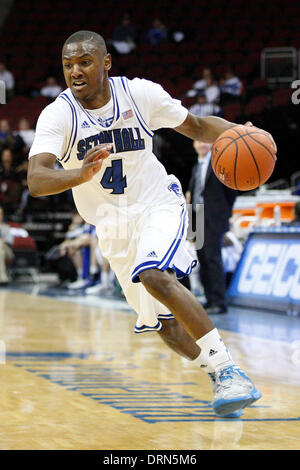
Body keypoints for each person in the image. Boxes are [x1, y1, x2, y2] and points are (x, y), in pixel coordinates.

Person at [27, 30, 275, 417]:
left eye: (85, 62)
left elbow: (194, 125)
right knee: (164, 326)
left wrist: (242, 133)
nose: (75, 71)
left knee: (156, 274)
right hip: (112, 227)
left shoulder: (139, 94)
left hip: (157, 203)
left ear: (106, 62)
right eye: (68, 64)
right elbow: (37, 179)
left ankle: (228, 369)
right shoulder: (58, 114)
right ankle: (219, 373)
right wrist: (79, 174)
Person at [186, 141, 237, 314]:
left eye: (205, 141)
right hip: (198, 216)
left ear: (211, 144)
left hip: (214, 218)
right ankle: (209, 299)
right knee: (202, 259)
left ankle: (219, 302)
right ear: (193, 145)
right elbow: (192, 195)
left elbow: (231, 191)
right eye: (198, 141)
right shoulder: (196, 166)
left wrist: (224, 214)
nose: (201, 144)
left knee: (213, 258)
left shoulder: (218, 164)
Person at [0, 205, 13, 285]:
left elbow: (10, 241)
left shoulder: (6, 227)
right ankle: (2, 277)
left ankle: (2, 277)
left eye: (0, 213)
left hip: (7, 251)